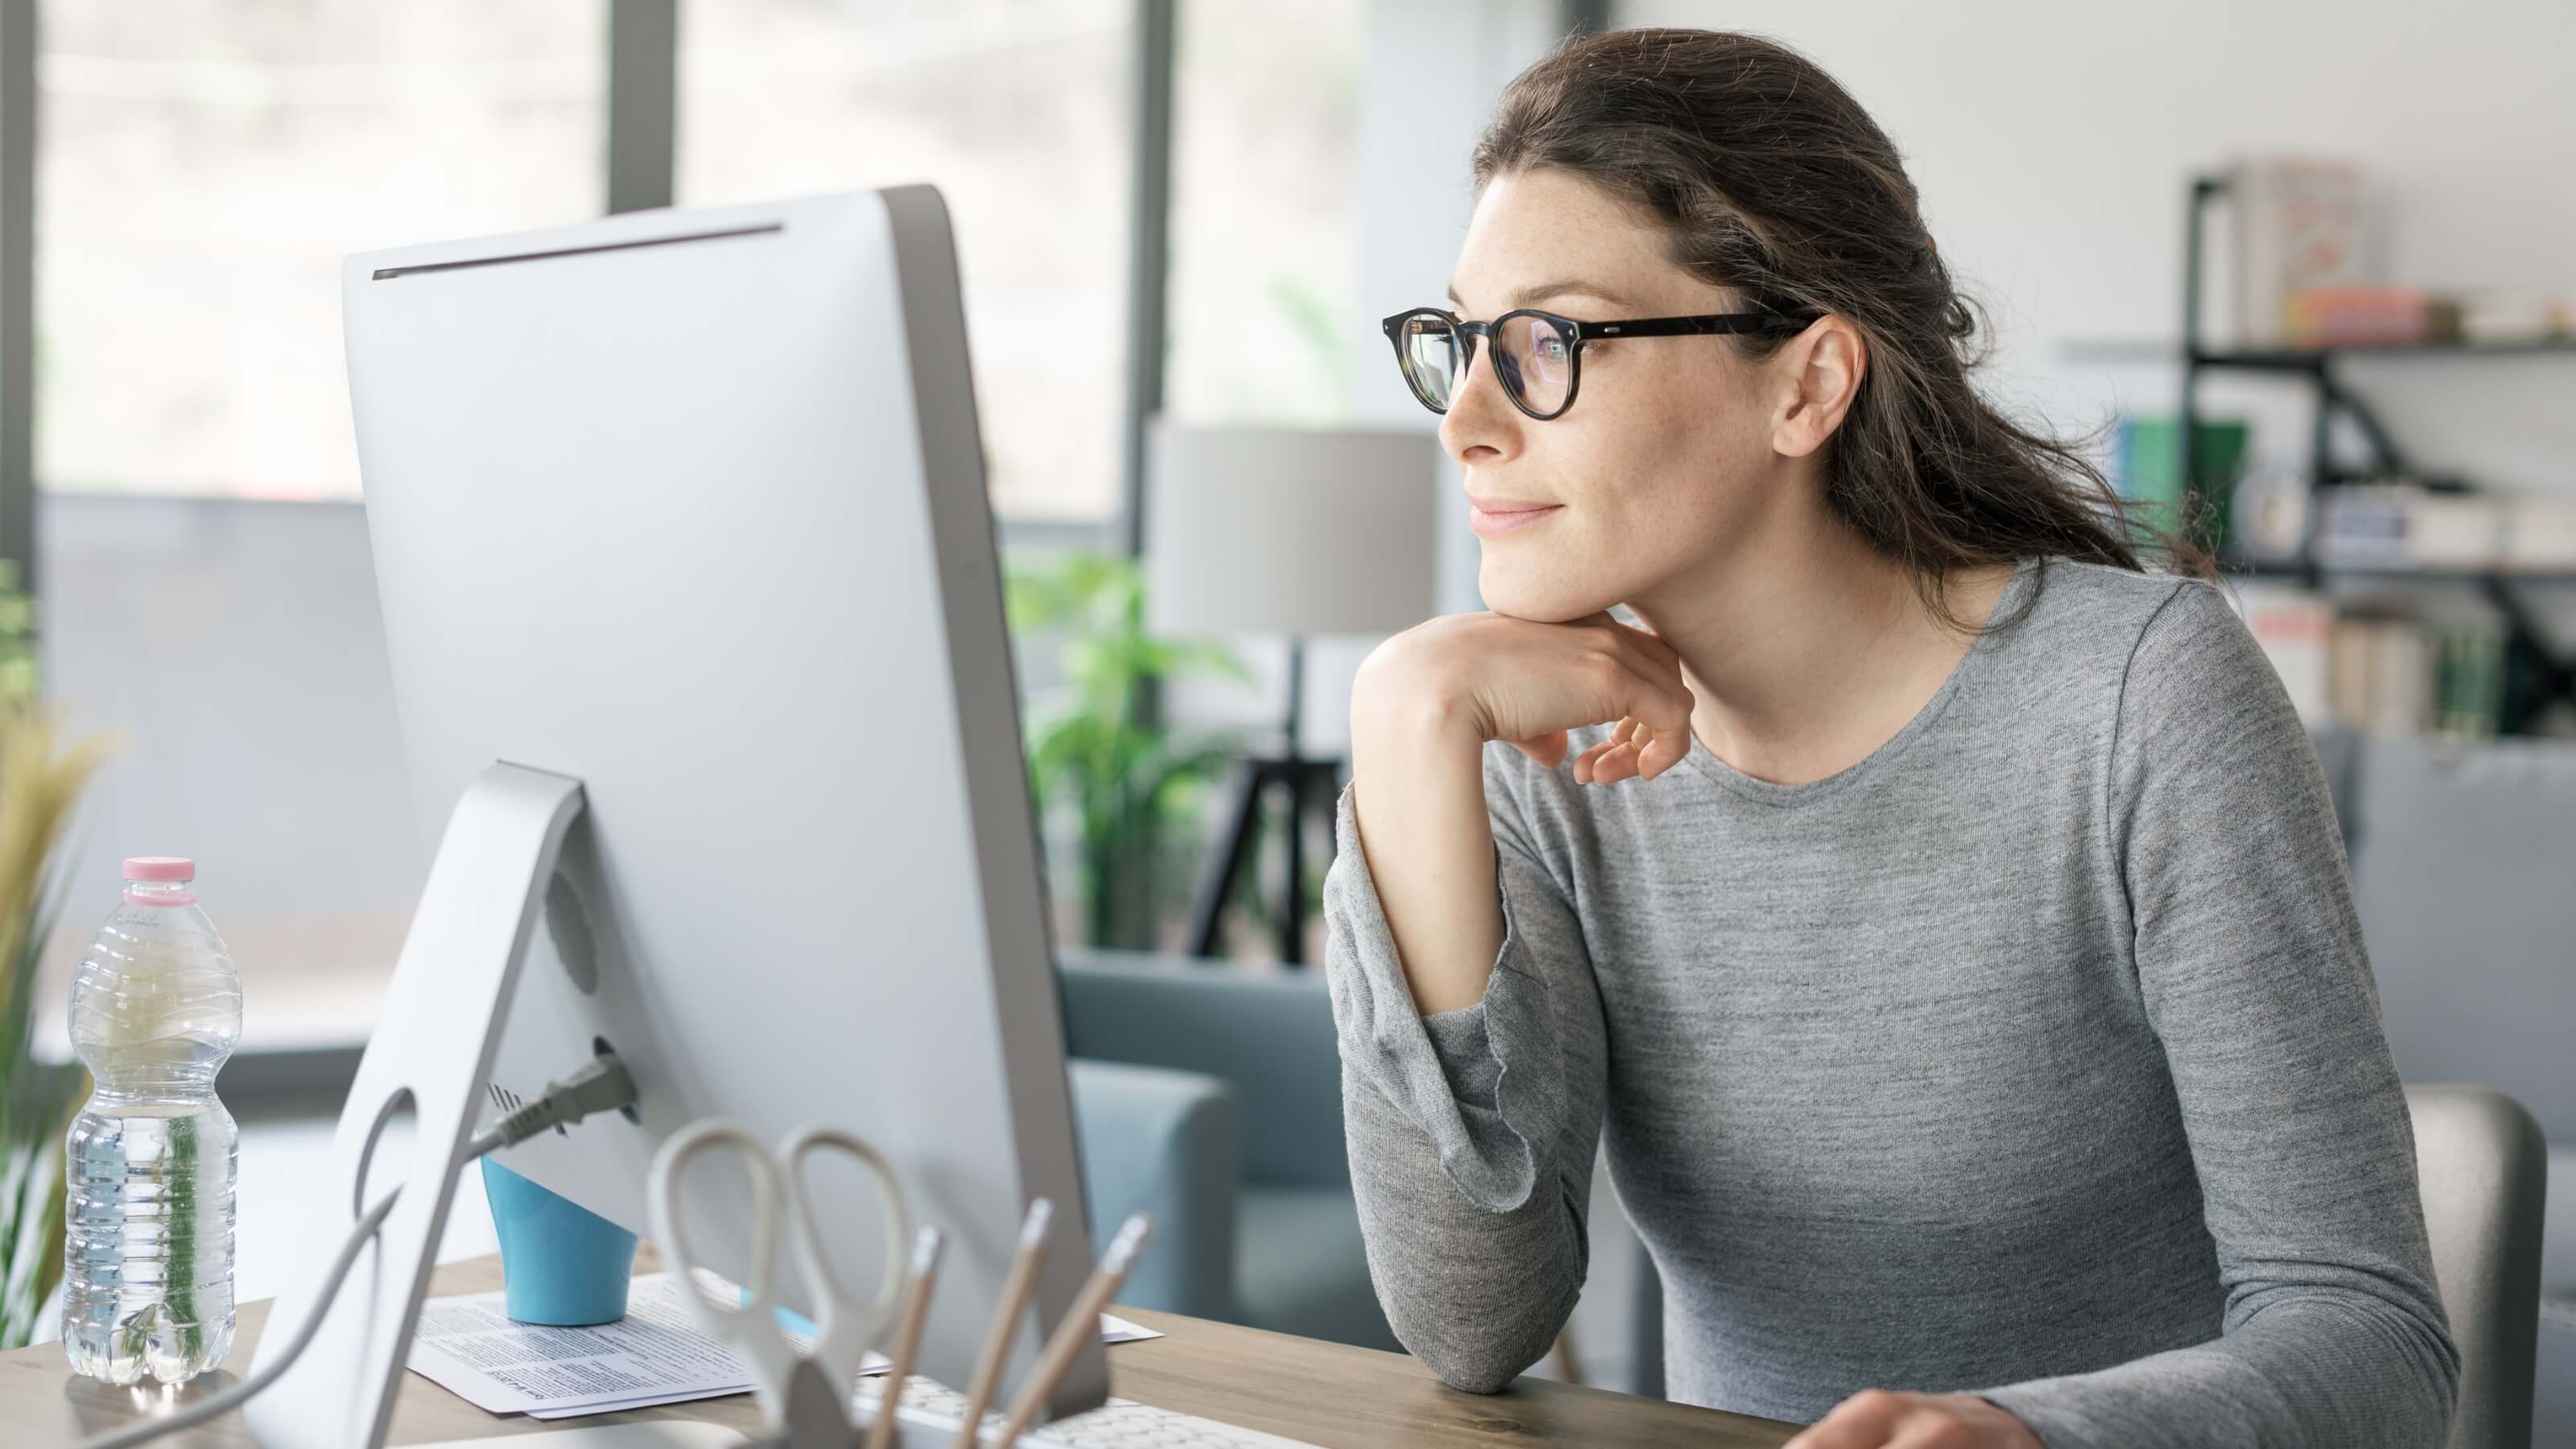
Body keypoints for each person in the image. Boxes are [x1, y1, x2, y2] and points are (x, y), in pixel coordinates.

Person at [1321, 27, 2458, 1449]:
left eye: (1549, 342)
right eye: (1465, 345)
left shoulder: (2141, 701)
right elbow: (1473, 1323)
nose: (1468, 422)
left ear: (1807, 384)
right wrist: (1406, 727)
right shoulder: (1537, 756)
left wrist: (2026, 1437)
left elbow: (2374, 1341)